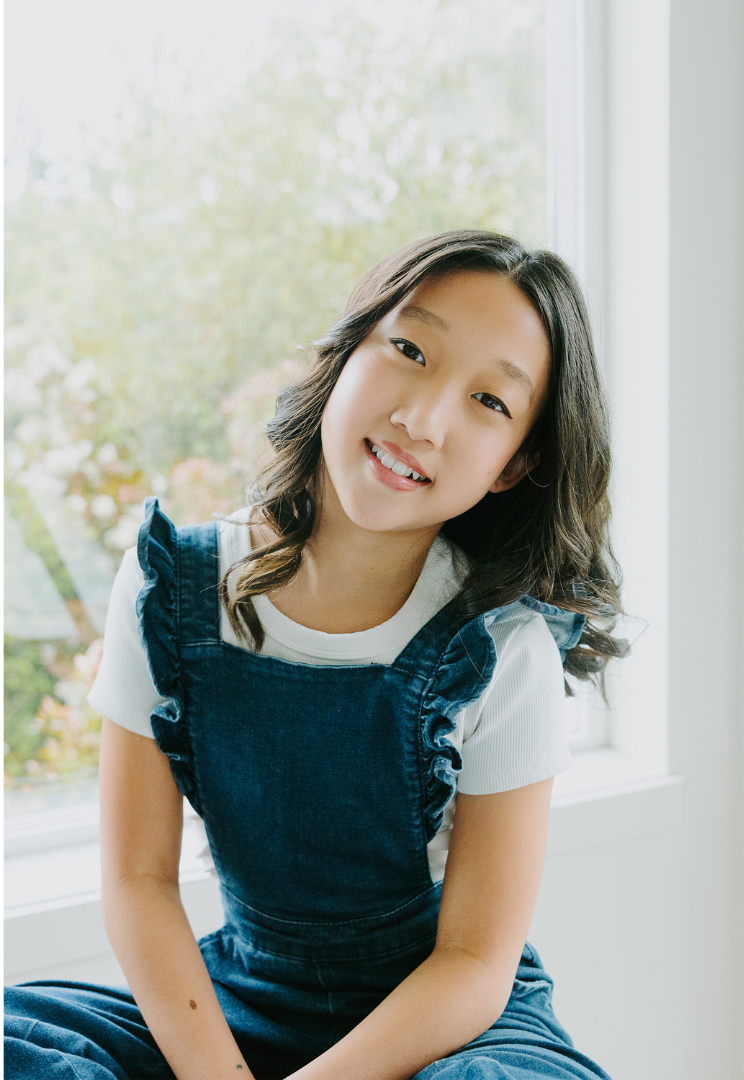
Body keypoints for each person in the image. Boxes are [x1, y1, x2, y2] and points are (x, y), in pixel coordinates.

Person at [5, 230, 624, 1079]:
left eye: (490, 402)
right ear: (344, 353)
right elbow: (138, 883)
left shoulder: (501, 641)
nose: (422, 418)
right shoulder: (170, 589)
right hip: (232, 1007)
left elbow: (476, 963)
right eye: (409, 349)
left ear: (515, 465)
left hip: (443, 1029)